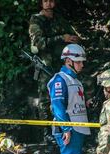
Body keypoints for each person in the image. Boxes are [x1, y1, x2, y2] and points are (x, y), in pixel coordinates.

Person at [47, 44, 90, 154]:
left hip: (78, 129)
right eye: (79, 62)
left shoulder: (76, 81)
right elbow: (57, 106)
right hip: (68, 130)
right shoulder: (59, 79)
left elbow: (71, 103)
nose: (82, 65)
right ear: (68, 61)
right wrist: (66, 128)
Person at [29, 0, 80, 142]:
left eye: (51, 1)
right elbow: (38, 44)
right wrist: (61, 38)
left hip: (62, 66)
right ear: (41, 3)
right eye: (46, 1)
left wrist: (72, 39)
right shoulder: (37, 20)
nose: (49, 4)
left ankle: (64, 129)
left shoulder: (58, 19)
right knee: (45, 99)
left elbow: (73, 35)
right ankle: (47, 134)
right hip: (46, 66)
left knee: (64, 97)